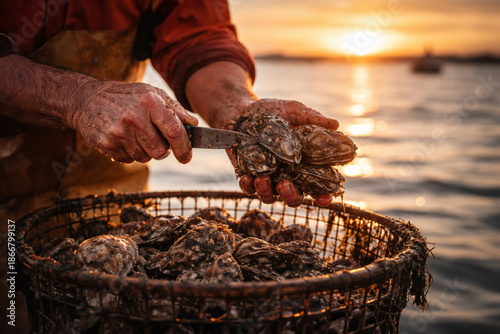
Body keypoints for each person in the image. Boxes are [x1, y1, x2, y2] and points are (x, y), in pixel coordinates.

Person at [0, 1, 339, 331]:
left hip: (111, 200)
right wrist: (78, 99)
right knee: (13, 314)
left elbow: (199, 38)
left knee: (120, 311)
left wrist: (236, 109)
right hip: (5, 205)